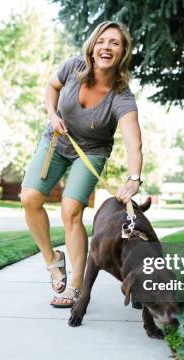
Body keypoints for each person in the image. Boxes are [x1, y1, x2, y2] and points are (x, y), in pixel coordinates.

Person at [20, 21, 143, 307]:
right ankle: (53, 259)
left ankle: (75, 284)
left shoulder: (121, 97)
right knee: (29, 198)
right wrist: (52, 115)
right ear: (93, 45)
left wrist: (134, 178)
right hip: (55, 141)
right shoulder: (73, 68)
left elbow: (133, 141)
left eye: (115, 43)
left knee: (71, 211)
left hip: (91, 152)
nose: (106, 47)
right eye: (102, 41)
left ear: (123, 51)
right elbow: (52, 87)